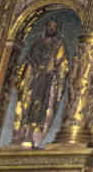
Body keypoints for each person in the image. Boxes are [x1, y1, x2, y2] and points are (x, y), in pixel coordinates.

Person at [13, 18, 70, 147]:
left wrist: (52, 68)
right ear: (46, 27)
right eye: (50, 26)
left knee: (41, 105)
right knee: (27, 103)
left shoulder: (58, 44)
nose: (52, 28)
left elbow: (60, 62)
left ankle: (34, 134)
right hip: (34, 78)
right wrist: (29, 71)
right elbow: (29, 59)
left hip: (47, 80)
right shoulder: (37, 43)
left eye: (54, 26)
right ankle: (24, 132)